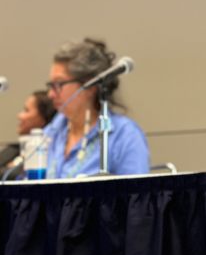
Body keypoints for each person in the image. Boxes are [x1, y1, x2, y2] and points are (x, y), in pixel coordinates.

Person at [44, 38, 150, 178]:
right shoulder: (53, 130)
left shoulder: (124, 135)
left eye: (59, 84)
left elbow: (137, 196)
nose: (50, 94)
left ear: (89, 86)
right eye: (51, 85)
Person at [0, 91, 56, 179]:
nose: (19, 116)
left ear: (43, 118)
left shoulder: (50, 154)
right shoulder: (12, 150)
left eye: (26, 110)